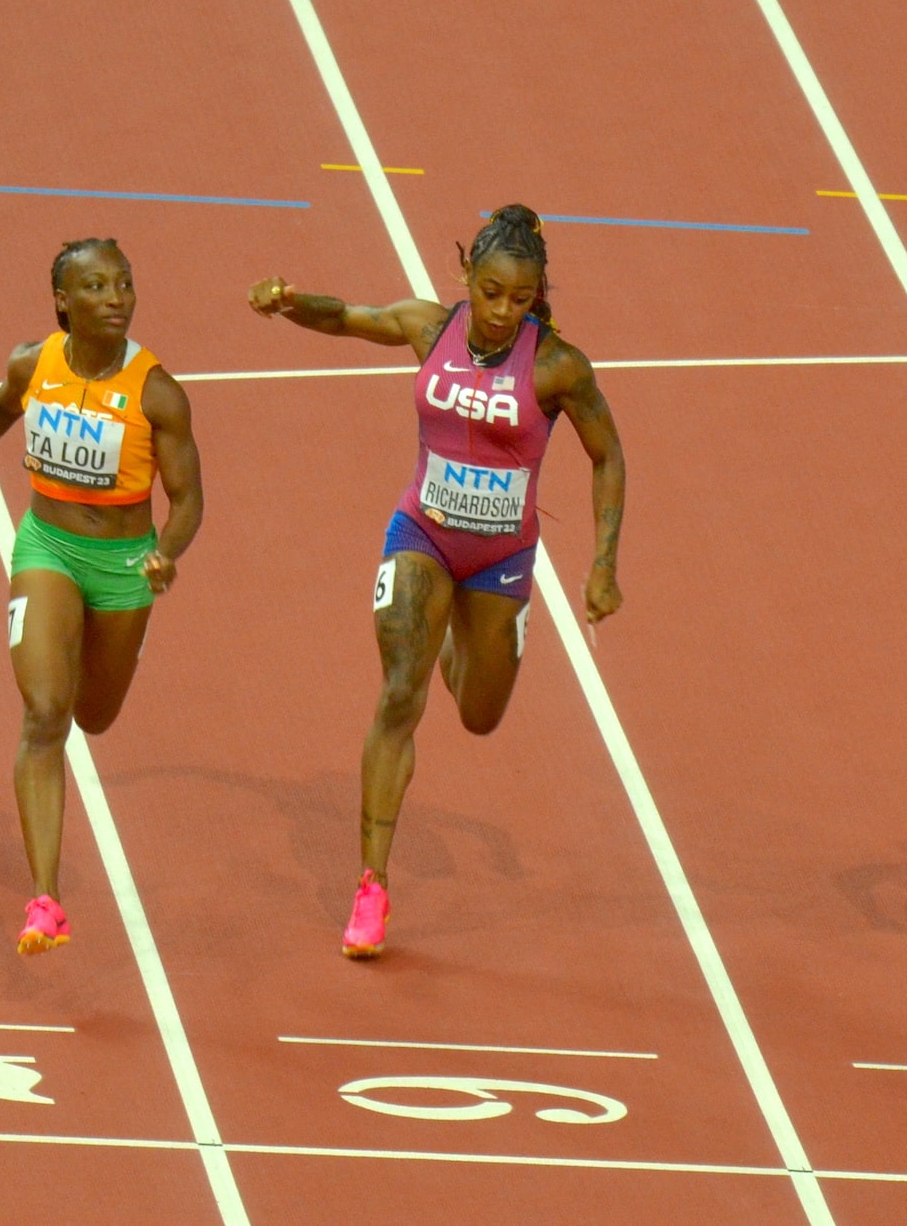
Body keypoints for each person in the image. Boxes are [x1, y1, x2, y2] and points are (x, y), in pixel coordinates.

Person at [247, 204, 625, 958]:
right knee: (398, 694)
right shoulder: (430, 327)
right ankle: (372, 886)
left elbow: (608, 455)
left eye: (518, 300)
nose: (500, 311)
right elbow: (352, 317)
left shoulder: (557, 367)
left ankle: (461, 633)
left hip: (501, 559)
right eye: (490, 292)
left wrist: (605, 561)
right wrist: (292, 303)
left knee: (480, 715)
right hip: (420, 534)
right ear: (467, 276)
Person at [0, 239, 203, 954]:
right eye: (96, 285)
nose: (116, 296)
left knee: (95, 713)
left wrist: (164, 552)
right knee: (46, 713)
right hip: (47, 548)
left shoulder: (157, 393)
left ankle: (104, 647)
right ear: (64, 301)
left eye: (124, 282)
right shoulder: (34, 363)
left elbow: (187, 500)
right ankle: (45, 901)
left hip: (123, 566)